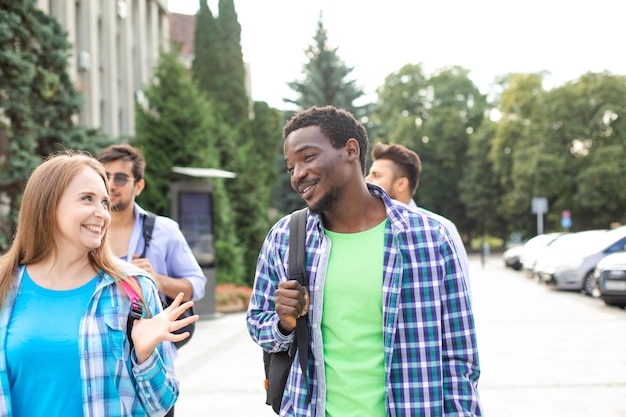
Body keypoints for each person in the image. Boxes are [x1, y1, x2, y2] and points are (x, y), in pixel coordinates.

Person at [247, 105, 482, 416]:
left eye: (308, 157)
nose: (298, 175)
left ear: (350, 151)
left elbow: (459, 356)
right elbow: (256, 323)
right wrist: (284, 323)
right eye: (291, 168)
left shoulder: (430, 237)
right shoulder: (286, 237)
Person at [0, 151, 198, 416]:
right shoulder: (5, 283)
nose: (102, 213)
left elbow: (161, 406)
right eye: (87, 199)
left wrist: (144, 356)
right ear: (48, 205)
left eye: (104, 202)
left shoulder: (133, 288)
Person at [97, 144, 207, 417]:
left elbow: (197, 285)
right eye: (105, 176)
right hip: (100, 364)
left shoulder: (163, 230)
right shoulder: (87, 229)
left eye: (121, 177)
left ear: (139, 185)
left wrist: (156, 280)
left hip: (153, 366)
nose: (111, 185)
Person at [365, 142, 471, 289]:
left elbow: (460, 295)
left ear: (401, 184)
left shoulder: (441, 230)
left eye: (376, 175)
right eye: (369, 174)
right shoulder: (365, 230)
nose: (366, 180)